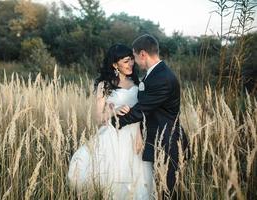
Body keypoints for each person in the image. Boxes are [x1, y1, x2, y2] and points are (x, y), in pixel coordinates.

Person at [68, 44, 154, 199]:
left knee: (137, 179)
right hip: (113, 136)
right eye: (126, 61)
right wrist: (113, 110)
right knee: (113, 177)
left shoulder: (138, 83)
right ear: (115, 64)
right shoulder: (104, 85)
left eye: (131, 60)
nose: (131, 64)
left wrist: (140, 134)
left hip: (134, 136)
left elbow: (143, 113)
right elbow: (99, 119)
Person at [111, 34, 190, 199]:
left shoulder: (162, 78)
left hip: (167, 143)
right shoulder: (154, 74)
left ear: (142, 54)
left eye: (134, 57)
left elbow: (141, 110)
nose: (134, 62)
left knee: (167, 193)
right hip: (157, 141)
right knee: (159, 191)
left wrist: (115, 121)